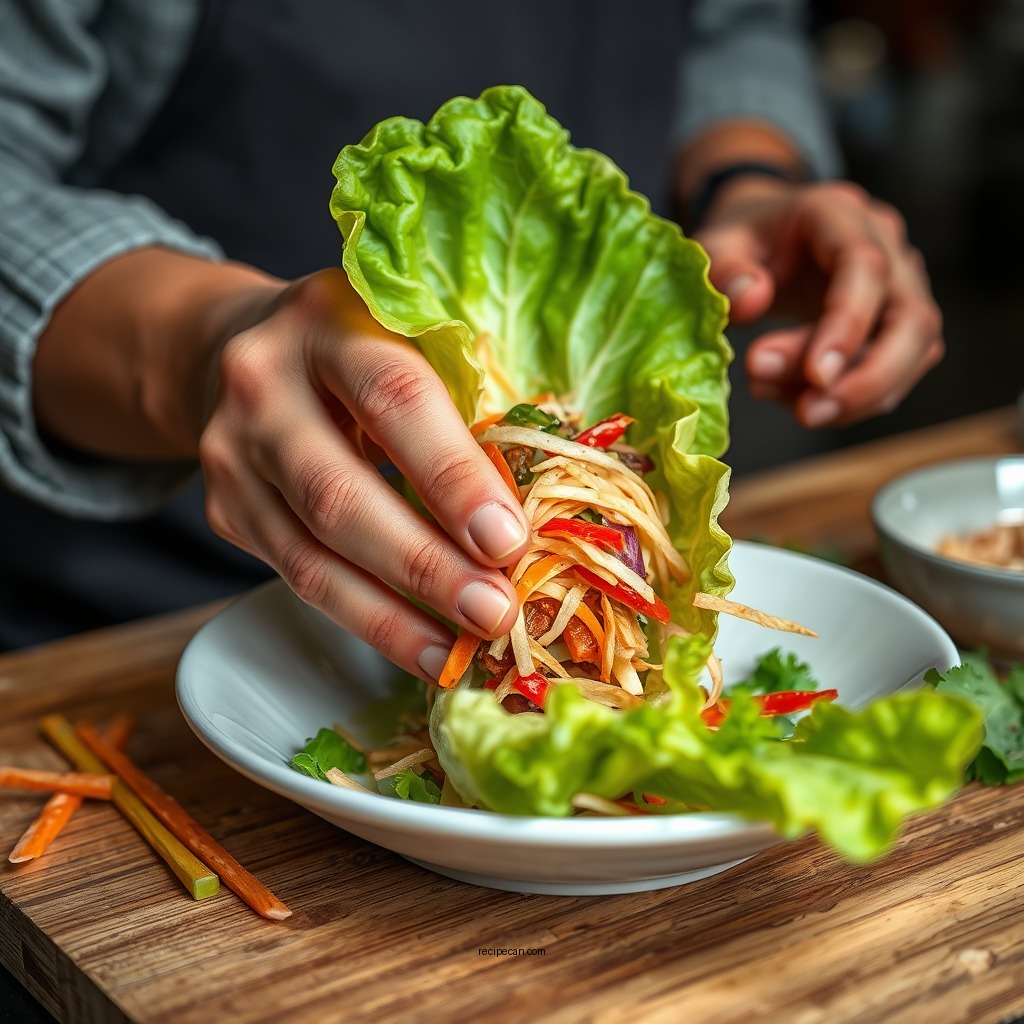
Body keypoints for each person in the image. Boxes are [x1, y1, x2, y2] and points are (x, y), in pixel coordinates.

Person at [0, 0, 943, 676]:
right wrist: (198, 346)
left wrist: (748, 174)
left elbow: (733, 23)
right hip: (130, 629)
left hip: (605, 526)